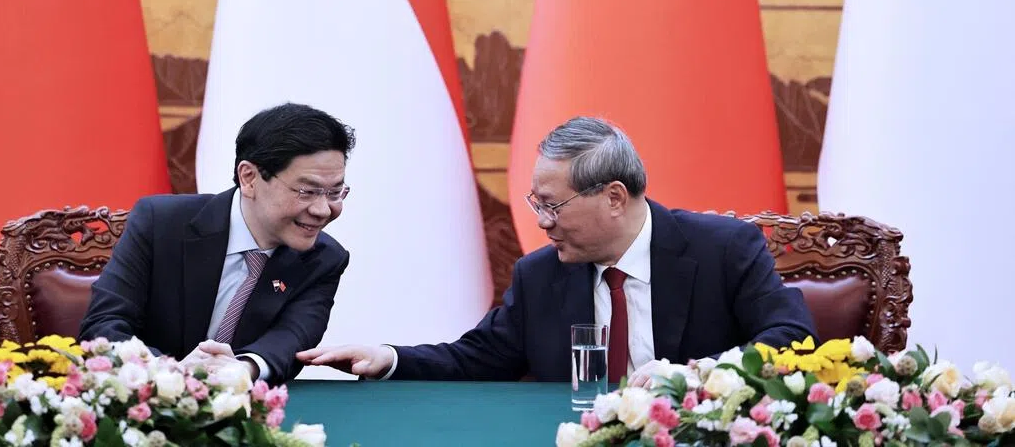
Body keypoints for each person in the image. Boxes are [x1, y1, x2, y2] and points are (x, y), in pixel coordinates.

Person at [298, 116, 816, 383]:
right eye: (536, 204)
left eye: (553, 206)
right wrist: (387, 357)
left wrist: (699, 382)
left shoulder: (722, 249)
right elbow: (478, 358)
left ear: (614, 197)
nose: (542, 223)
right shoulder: (541, 274)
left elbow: (791, 337)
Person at [80, 102, 354, 385]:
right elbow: (103, 327)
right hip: (142, 404)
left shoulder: (324, 259)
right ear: (249, 178)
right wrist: (167, 373)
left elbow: (290, 338)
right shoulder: (160, 223)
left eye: (335, 192)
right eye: (307, 191)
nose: (323, 209)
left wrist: (243, 369)